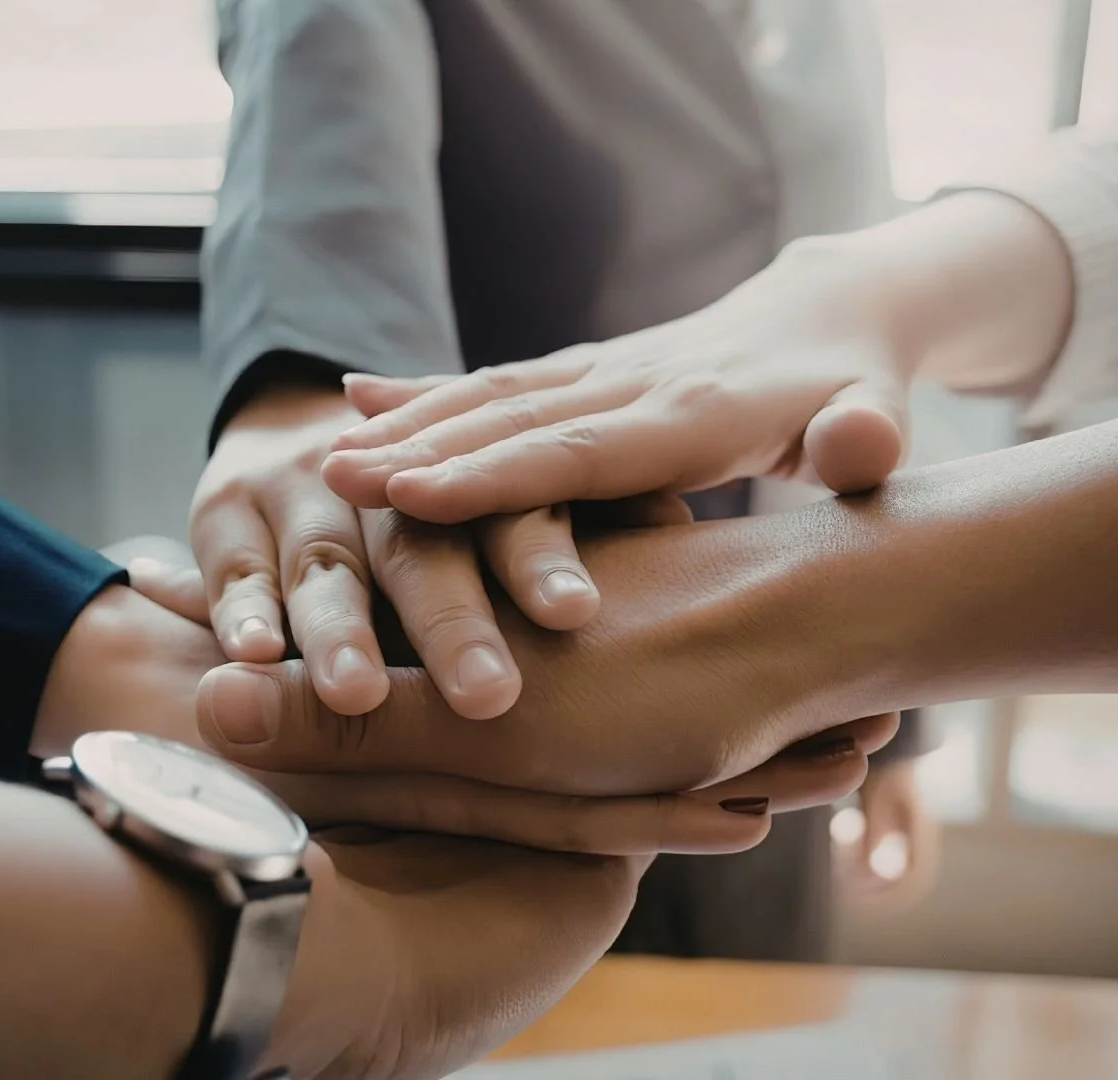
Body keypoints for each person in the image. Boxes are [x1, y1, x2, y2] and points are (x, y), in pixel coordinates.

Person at [0, 205, 884, 1079]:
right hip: (428, 519)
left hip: (526, 562)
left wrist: (892, 293)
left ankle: (157, 684)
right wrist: (330, 973)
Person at [192, 36, 1118, 807]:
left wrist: (865, 684)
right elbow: (318, 85)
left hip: (774, 708)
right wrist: (310, 393)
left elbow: (858, 395)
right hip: (484, 664)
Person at [197, 0, 933, 962]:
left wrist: (898, 710)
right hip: (509, 697)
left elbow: (856, 323)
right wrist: (305, 395)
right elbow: (322, 105)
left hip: (799, 683)